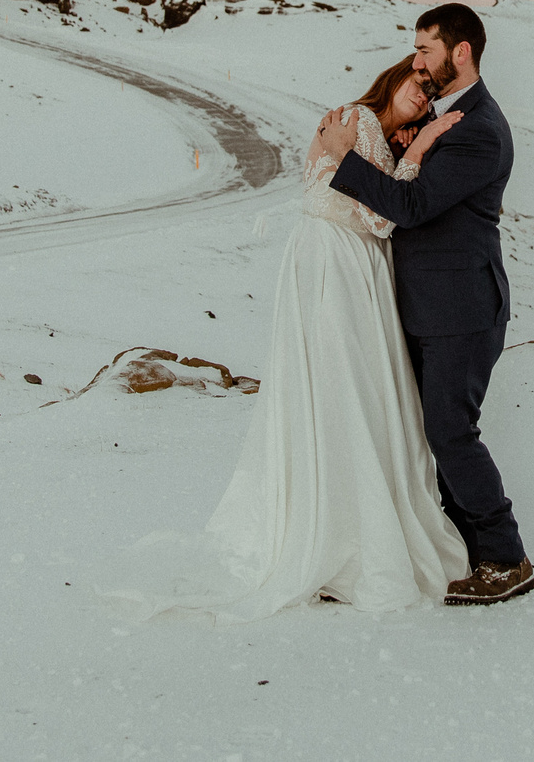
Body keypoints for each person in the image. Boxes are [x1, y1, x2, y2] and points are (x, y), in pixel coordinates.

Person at [111, 57, 471, 621]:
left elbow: (367, 201)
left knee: (348, 387)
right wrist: (419, 152)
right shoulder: (356, 121)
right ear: (394, 77)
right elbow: (378, 220)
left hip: (343, 261)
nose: (423, 97)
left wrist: (404, 155)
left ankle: (343, 513)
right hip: (337, 261)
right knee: (344, 385)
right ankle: (341, 530)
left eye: (430, 95)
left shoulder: (368, 129)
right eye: (417, 84)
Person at [316, 1, 534, 606]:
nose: (416, 61)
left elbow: (409, 208)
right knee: (428, 431)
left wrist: (345, 160)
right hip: (430, 305)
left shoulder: (479, 131)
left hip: (462, 308)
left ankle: (505, 558)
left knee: (450, 431)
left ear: (460, 52)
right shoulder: (451, 118)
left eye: (425, 50)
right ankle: (457, 547)